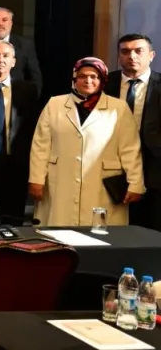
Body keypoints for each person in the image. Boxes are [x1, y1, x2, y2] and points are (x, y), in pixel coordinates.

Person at [30, 57, 144, 227]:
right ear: (74, 79)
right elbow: (40, 145)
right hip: (61, 178)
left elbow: (130, 149)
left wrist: (136, 184)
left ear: (103, 80)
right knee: (59, 228)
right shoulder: (55, 104)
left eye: (94, 76)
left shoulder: (119, 108)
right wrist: (36, 178)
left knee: (100, 232)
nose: (88, 81)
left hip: (102, 181)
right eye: (82, 76)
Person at [0, 41, 39, 221]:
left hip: (15, 165)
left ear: (14, 62)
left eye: (6, 56)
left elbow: (32, 129)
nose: (0, 60)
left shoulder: (27, 90)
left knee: (13, 221)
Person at [107, 34, 161, 229]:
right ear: (118, 56)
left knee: (152, 228)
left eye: (139, 51)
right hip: (111, 164)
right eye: (125, 51)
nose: (132, 56)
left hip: (155, 165)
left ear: (151, 55)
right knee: (112, 228)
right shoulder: (103, 83)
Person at [0, 7, 42, 93]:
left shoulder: (25, 45)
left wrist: (30, 98)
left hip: (13, 96)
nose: (0, 24)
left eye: (4, 20)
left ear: (11, 24)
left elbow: (35, 78)